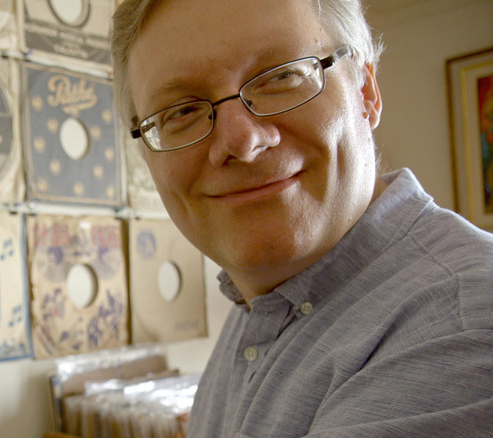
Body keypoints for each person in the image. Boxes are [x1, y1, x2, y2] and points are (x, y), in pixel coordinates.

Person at [111, 0, 493, 436]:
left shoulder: (462, 327)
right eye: (181, 111)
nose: (241, 140)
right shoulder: (262, 301)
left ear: (366, 92)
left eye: (281, 77)